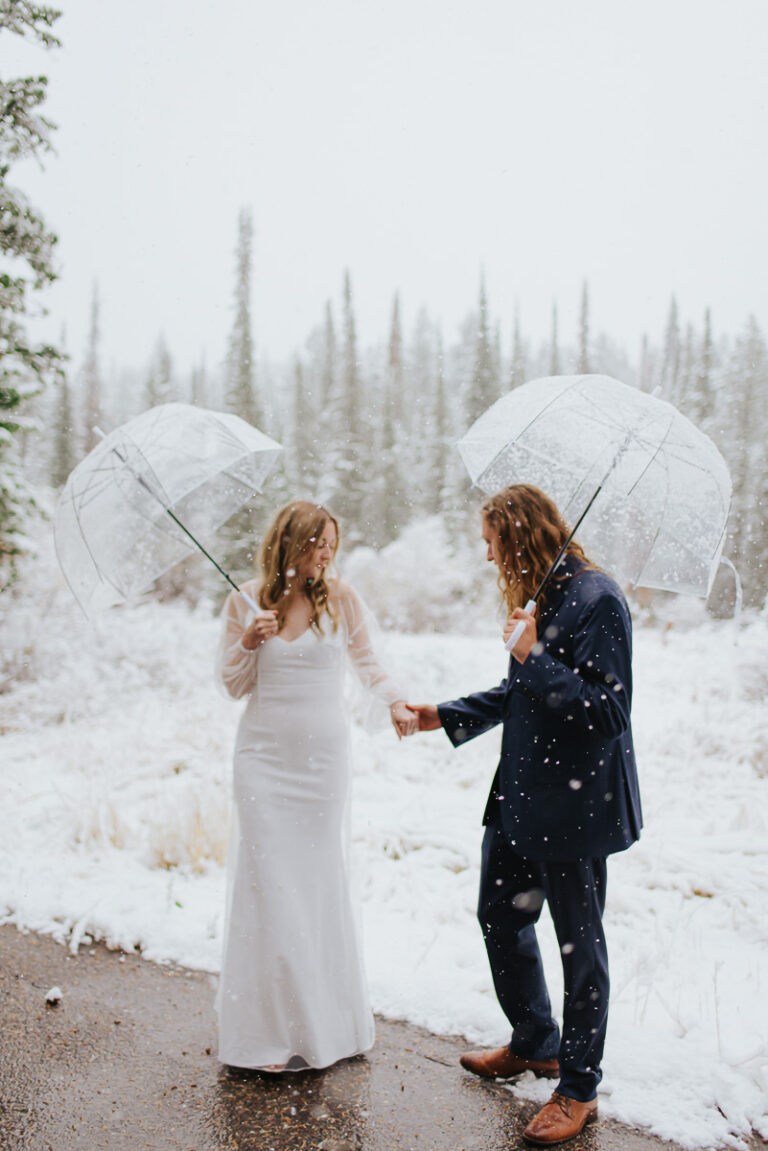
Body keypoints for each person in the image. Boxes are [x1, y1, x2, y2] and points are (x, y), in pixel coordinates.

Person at [410, 484, 642, 1145]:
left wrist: (531, 654)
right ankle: (535, 1038)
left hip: (575, 806)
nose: (486, 556)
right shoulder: (541, 595)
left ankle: (578, 1086)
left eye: (490, 542)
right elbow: (523, 695)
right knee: (498, 914)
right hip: (517, 794)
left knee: (579, 942)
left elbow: (607, 711)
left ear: (517, 536)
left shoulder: (600, 599)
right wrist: (443, 715)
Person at [216, 500, 416, 1072]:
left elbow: (369, 663)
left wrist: (395, 700)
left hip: (322, 764)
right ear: (289, 542)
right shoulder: (245, 601)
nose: (325, 555)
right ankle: (268, 1035)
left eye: (331, 545)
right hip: (262, 760)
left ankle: (323, 1025)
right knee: (268, 887)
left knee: (316, 884)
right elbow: (231, 686)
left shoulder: (342, 598)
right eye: (315, 544)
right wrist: (248, 643)